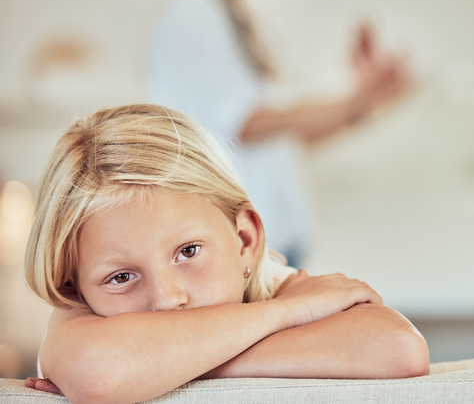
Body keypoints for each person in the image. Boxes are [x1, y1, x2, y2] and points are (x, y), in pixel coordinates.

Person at [22, 104, 429, 404]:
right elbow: (98, 372)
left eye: (188, 251)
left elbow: (399, 348)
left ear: (245, 241)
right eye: (121, 277)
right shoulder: (79, 313)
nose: (167, 299)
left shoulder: (278, 282)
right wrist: (285, 315)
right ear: (76, 287)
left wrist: (163, 363)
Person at [147, 0, 411, 268]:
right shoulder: (194, 9)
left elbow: (277, 141)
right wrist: (355, 101)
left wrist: (366, 105)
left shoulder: (230, 10)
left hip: (273, 246)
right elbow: (240, 123)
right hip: (245, 251)